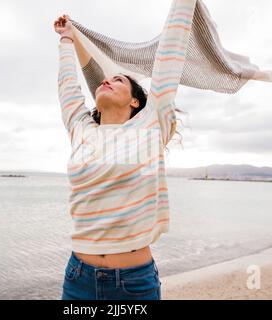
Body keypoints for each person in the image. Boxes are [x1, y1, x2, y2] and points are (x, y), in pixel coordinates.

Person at [53, 1, 194, 300]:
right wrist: (66, 38)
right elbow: (68, 86)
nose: (106, 80)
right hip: (78, 278)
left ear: (135, 102)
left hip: (134, 283)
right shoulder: (82, 129)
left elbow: (171, 50)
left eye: (118, 79)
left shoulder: (151, 125)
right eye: (105, 78)